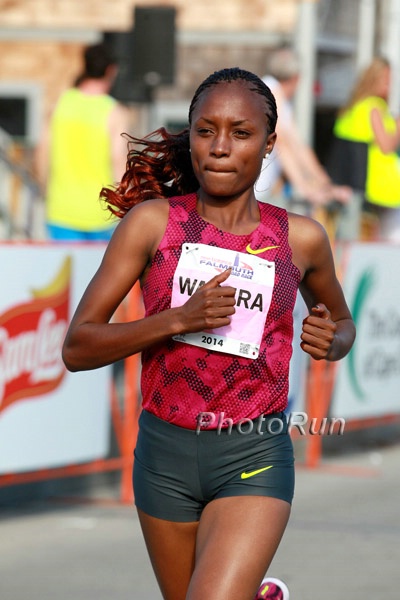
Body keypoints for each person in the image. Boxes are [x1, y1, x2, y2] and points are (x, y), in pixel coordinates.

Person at [62, 68, 356, 600]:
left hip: (253, 451)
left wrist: (329, 339)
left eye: (241, 133)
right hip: (163, 456)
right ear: (190, 134)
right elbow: (78, 347)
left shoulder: (302, 239)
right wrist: (178, 319)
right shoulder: (152, 224)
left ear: (269, 145)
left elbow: (343, 324)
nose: (221, 148)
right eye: (206, 130)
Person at [35, 42, 131, 241]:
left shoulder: (59, 104)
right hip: (102, 213)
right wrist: (125, 202)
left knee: (66, 272)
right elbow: (117, 159)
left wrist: (44, 190)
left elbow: (42, 152)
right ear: (111, 71)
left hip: (61, 211)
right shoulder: (113, 112)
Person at [255, 46, 351, 210]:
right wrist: (306, 188)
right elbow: (282, 144)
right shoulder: (270, 93)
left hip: (260, 190)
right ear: (296, 78)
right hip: (255, 192)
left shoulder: (277, 96)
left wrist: (325, 185)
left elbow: (298, 145)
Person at [327, 56, 400, 241]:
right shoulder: (374, 107)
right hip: (380, 185)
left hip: (359, 184)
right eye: (386, 80)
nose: (389, 85)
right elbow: (386, 146)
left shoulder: (353, 108)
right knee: (386, 240)